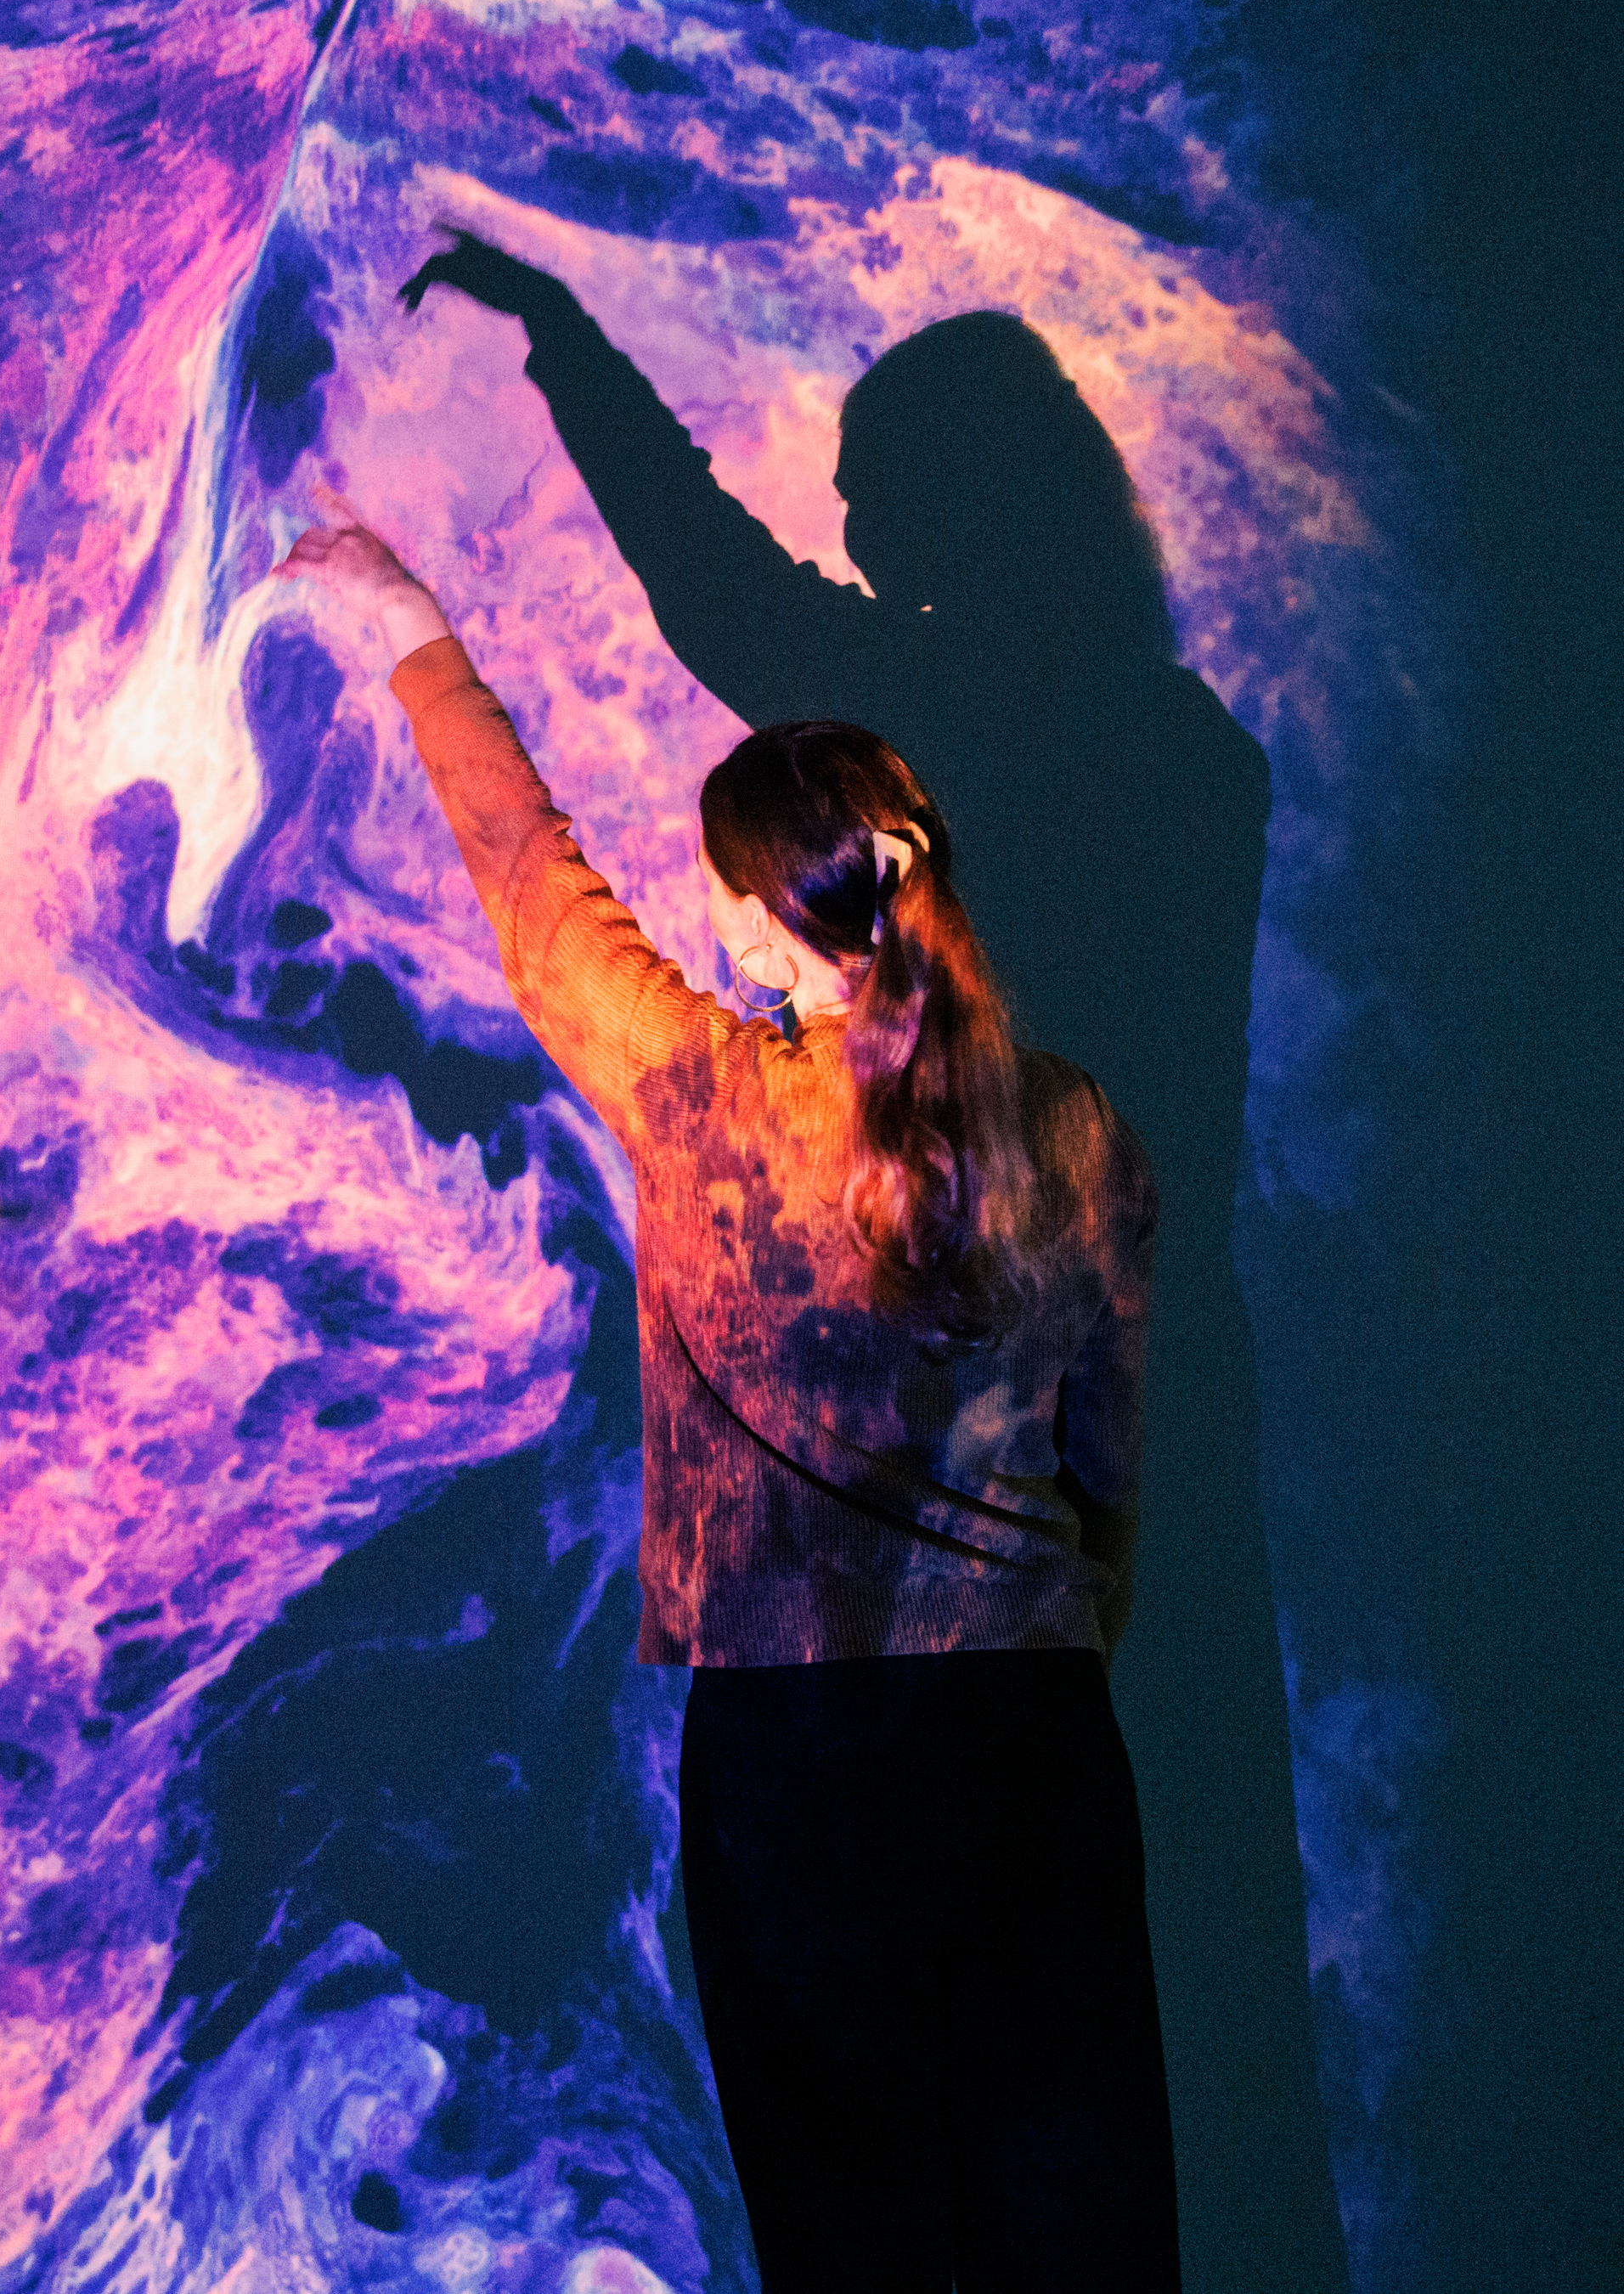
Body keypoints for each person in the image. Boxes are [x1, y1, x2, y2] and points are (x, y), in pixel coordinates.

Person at [395, 235, 1331, 2279]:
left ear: (974, 508)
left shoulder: (977, 735)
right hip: (1154, 1407)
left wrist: (562, 352)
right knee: (1186, 1993)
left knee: (939, 2102)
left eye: (877, 495)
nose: (847, 533)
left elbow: (724, 602)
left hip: (969, 1455)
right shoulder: (1192, 756)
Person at [274, 504, 1177, 2290]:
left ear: (764, 926)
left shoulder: (696, 1101)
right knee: (1077, 2238)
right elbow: (1111, 1467)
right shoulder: (1072, 1126)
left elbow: (533, 892)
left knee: (859, 2238)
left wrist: (406, 622)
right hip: (1031, 1747)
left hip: (801, 1769)